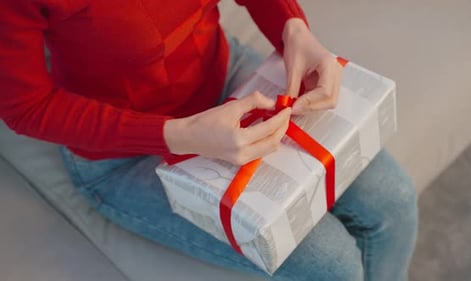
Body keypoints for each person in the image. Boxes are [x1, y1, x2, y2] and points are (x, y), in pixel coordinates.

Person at [0, 1, 418, 280]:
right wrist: (180, 135)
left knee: (394, 197)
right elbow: (24, 107)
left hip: (227, 76)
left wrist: (293, 28)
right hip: (127, 154)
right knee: (333, 263)